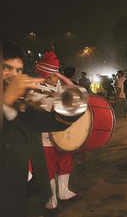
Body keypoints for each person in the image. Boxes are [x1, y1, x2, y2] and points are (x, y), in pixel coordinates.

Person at [0, 41, 82, 217]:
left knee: (62, 164)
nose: (14, 76)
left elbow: (54, 121)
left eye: (18, 70)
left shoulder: (24, 105)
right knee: (50, 167)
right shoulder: (19, 98)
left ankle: (58, 193)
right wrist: (6, 100)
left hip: (24, 198)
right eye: (7, 68)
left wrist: (76, 100)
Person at [34, 51, 79, 210]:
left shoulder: (60, 85)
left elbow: (75, 91)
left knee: (65, 162)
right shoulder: (36, 88)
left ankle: (64, 191)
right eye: (54, 74)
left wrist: (62, 78)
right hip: (45, 137)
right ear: (46, 75)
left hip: (62, 135)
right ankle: (51, 198)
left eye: (58, 73)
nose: (57, 76)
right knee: (49, 168)